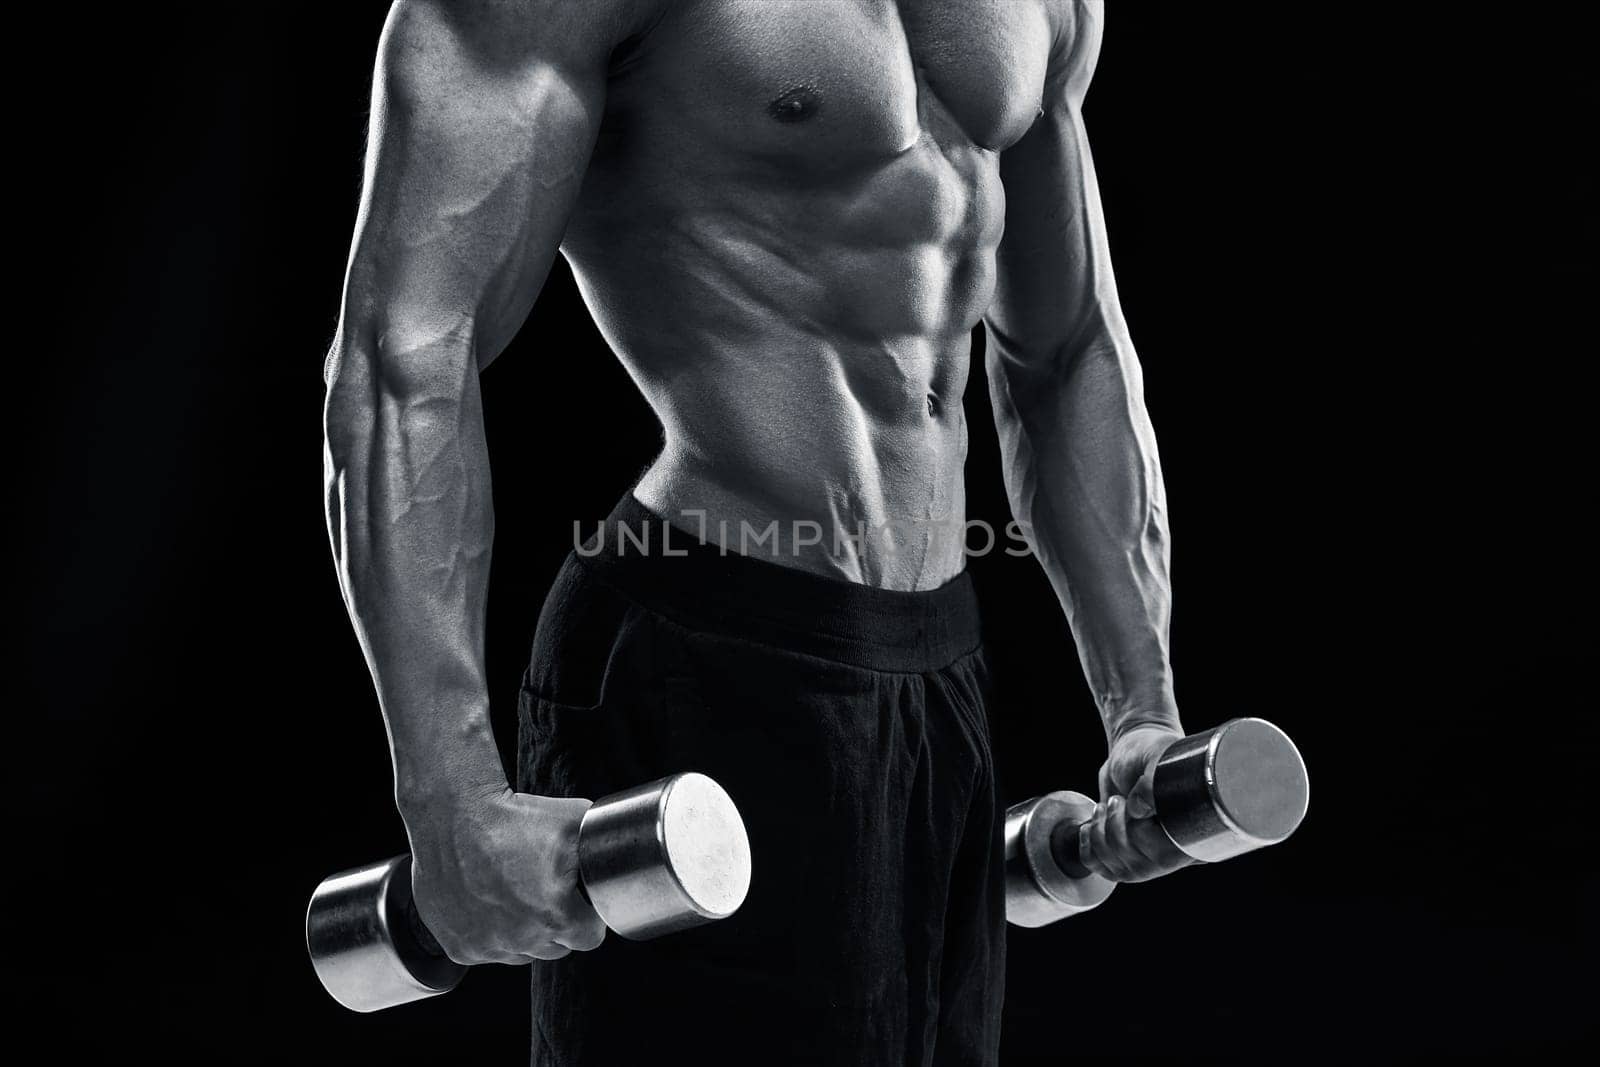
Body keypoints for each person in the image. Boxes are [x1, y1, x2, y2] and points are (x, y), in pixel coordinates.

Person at [322, 1, 1190, 1062]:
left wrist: (1142, 712)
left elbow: (1069, 350)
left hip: (935, 668)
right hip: (703, 661)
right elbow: (403, 356)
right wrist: (451, 797)